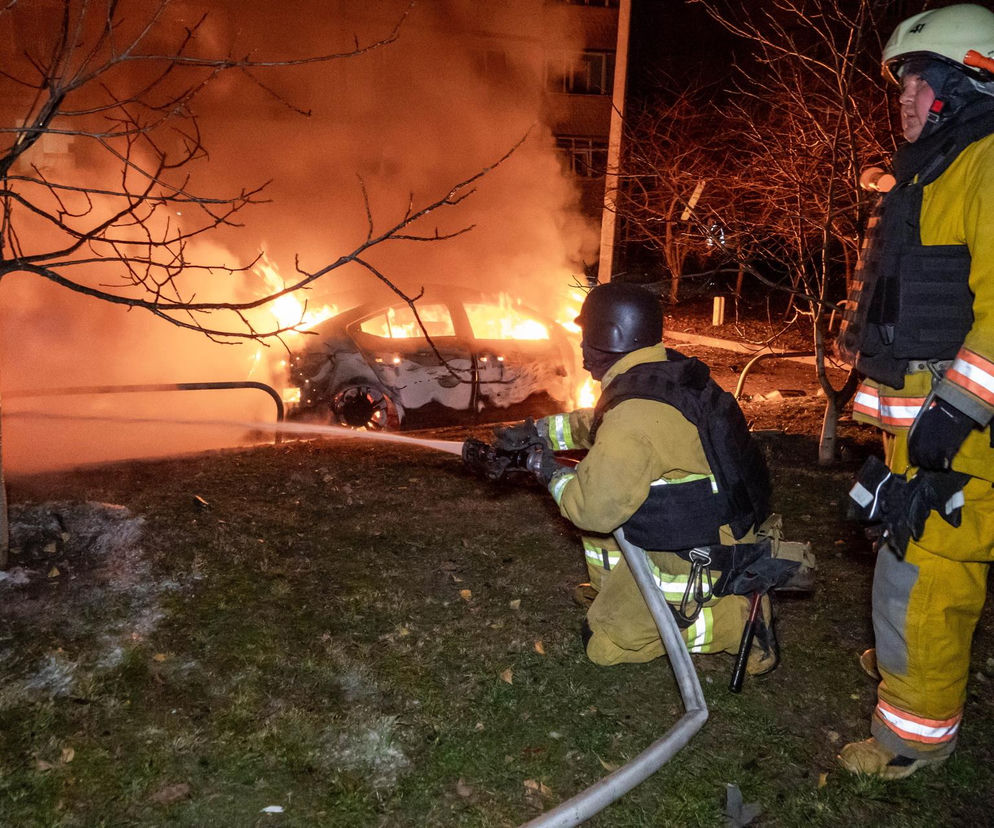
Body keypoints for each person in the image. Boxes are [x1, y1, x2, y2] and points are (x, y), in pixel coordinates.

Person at [496, 281, 809, 675]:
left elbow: (592, 510)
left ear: (608, 337)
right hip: (716, 528)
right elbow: (598, 424)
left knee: (602, 644)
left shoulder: (635, 418)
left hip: (696, 559)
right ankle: (610, 590)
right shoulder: (661, 376)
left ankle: (736, 622)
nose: (580, 348)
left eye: (585, 336)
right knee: (603, 491)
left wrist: (547, 471)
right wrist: (537, 431)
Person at [836, 4, 994, 779]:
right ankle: (910, 662)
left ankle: (912, 741)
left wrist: (954, 415)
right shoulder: (937, 168)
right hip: (928, 429)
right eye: (900, 85)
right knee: (906, 559)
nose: (904, 100)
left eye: (920, 83)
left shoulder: (987, 165)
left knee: (926, 579)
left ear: (969, 84)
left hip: (965, 438)